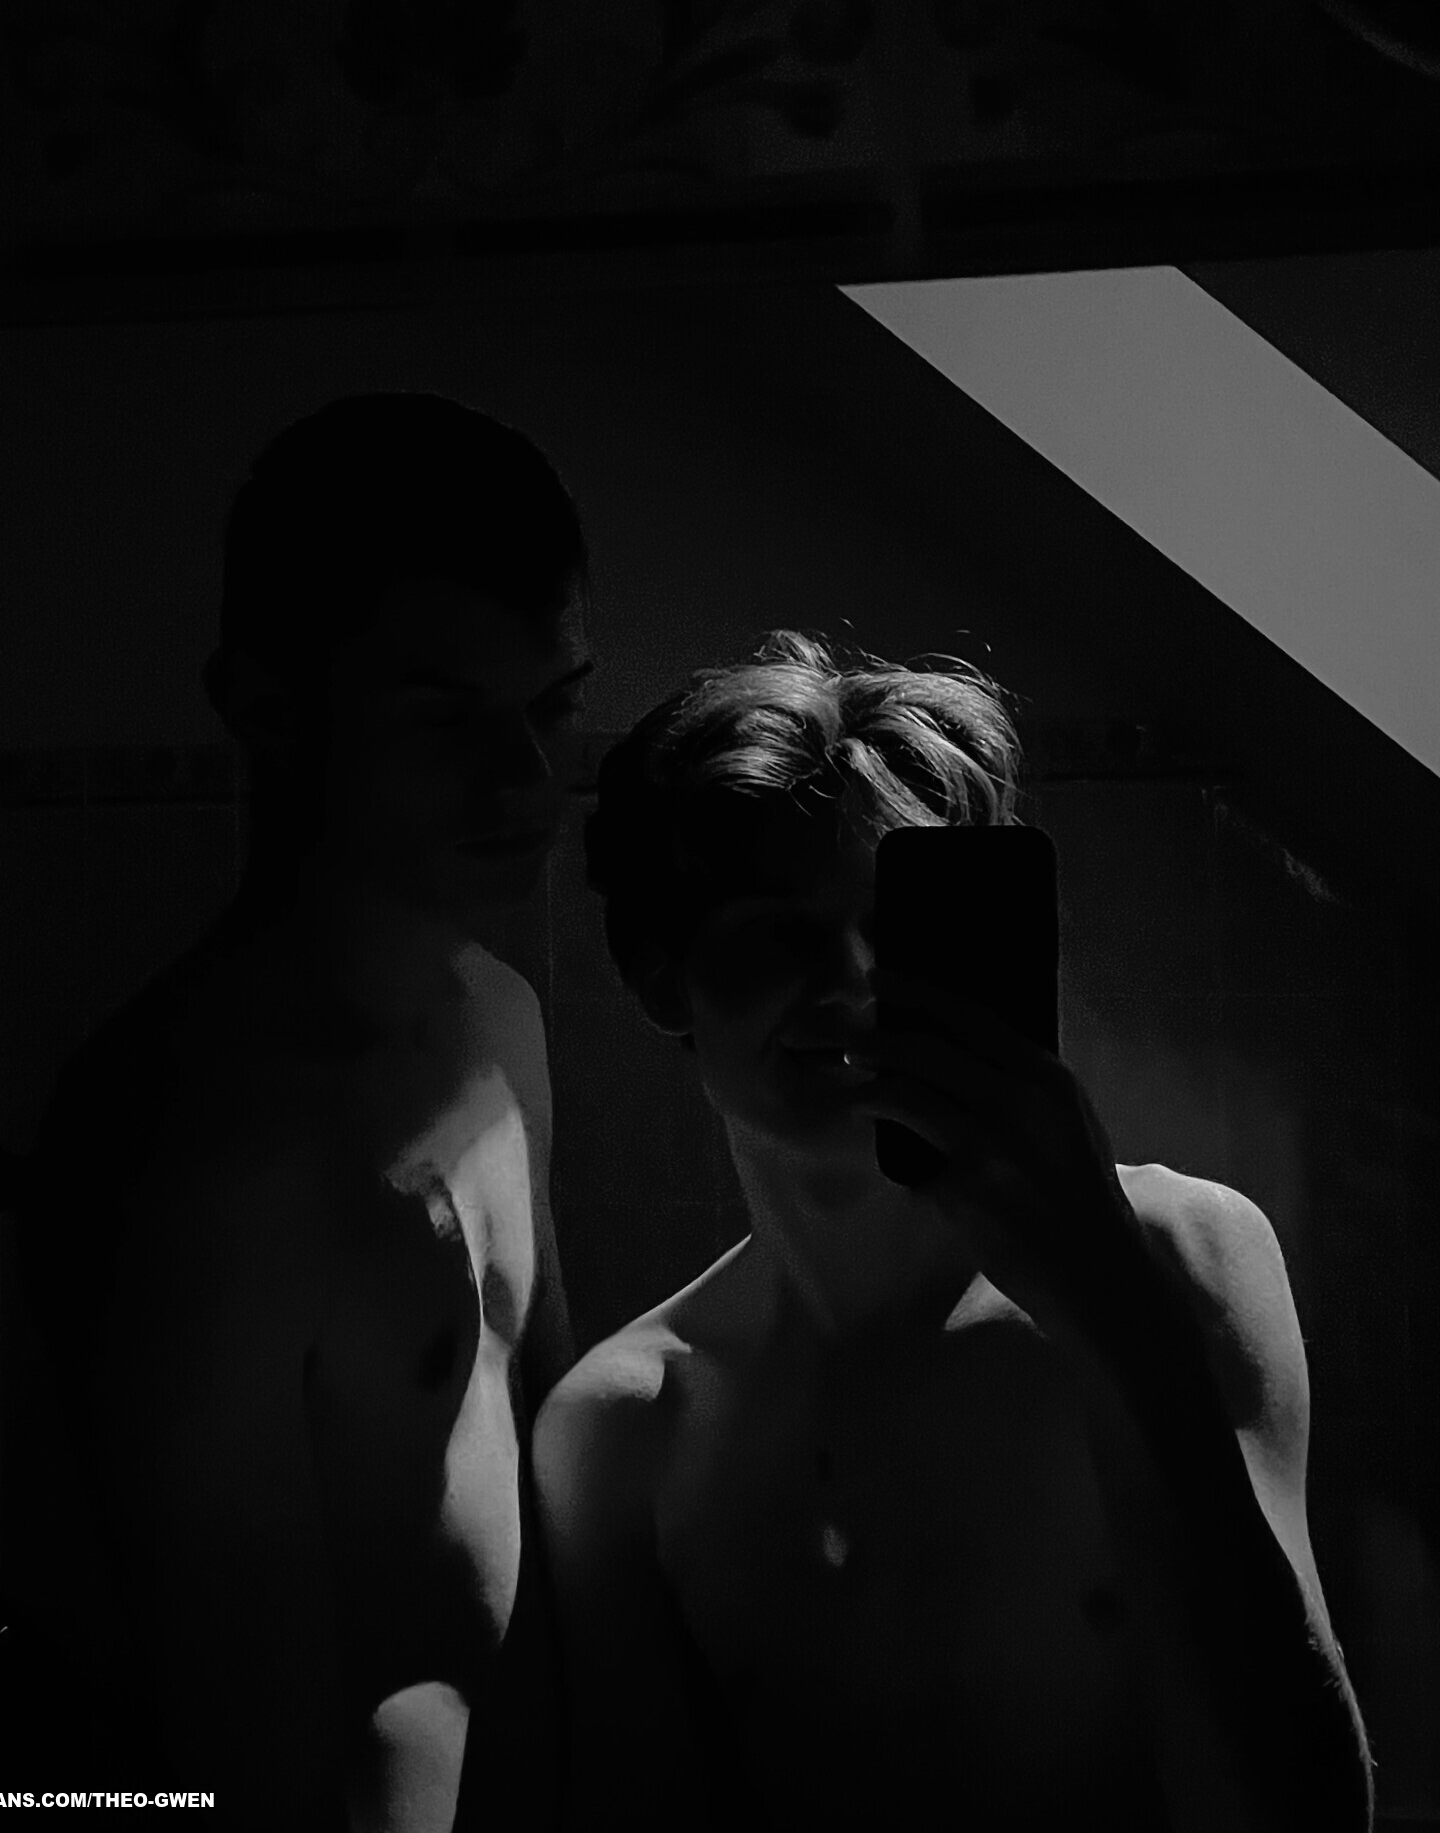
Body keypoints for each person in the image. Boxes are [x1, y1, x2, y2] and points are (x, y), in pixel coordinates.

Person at [533, 629, 1374, 1833]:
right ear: (661, 972)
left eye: (902, 925)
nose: (853, 977)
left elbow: (1303, 1814)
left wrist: (1112, 1315)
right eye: (780, 931)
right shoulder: (627, 1426)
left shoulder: (1179, 1254)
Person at [14, 393, 593, 1831]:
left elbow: (560, 1484)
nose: (525, 780)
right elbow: (241, 1742)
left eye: (551, 707)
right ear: (266, 708)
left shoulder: (503, 1020)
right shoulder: (200, 1150)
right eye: (445, 716)